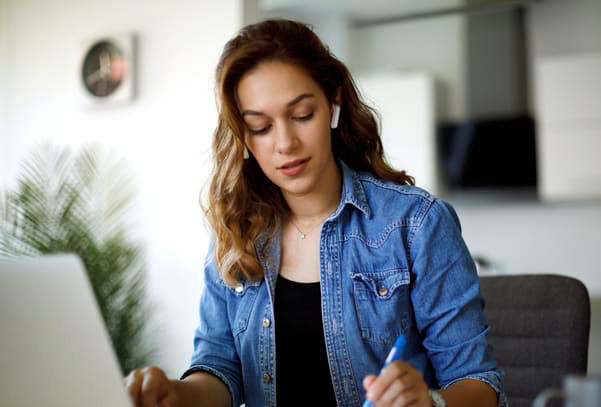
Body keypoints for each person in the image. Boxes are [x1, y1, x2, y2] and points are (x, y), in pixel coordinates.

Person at [125, 18, 506, 407]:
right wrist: (175, 394)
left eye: (302, 115)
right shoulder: (236, 233)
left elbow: (477, 383)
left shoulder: (416, 225)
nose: (285, 144)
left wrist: (430, 402)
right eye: (260, 127)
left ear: (334, 104)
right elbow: (219, 369)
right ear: (243, 135)